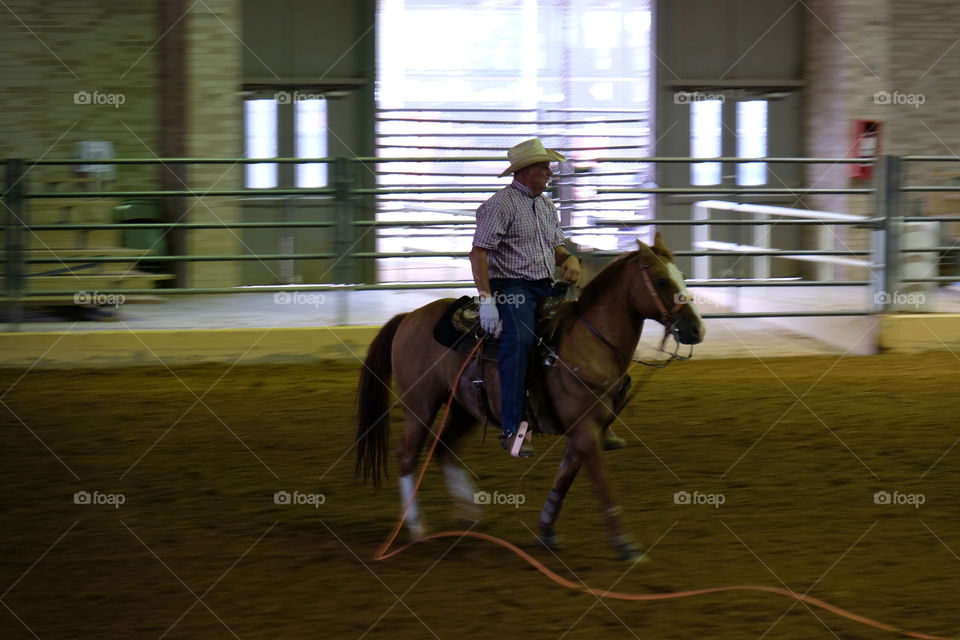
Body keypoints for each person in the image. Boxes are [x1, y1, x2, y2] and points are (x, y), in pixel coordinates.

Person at [470, 138, 581, 458]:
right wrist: (486, 299)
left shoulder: (546, 205)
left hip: (544, 285)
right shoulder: (500, 205)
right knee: (518, 342)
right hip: (512, 288)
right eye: (544, 167)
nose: (550, 172)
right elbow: (478, 254)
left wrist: (568, 259)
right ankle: (512, 429)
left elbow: (556, 247)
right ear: (526, 171)